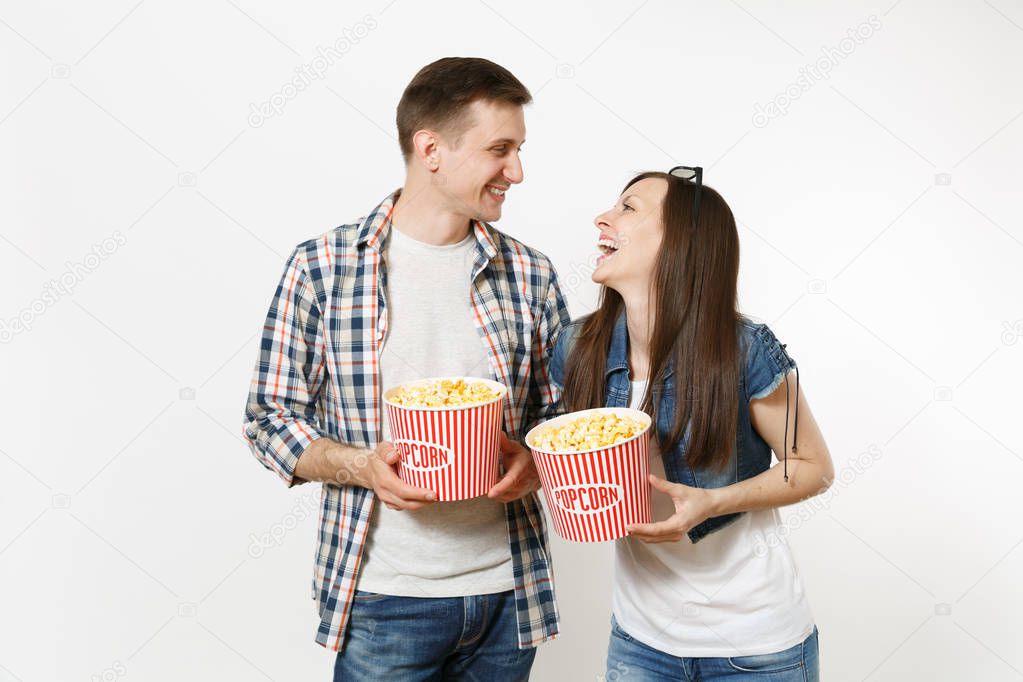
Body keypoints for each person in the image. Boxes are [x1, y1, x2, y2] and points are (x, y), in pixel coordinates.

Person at [242, 57, 567, 680]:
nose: (517, 172)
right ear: (431, 149)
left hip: (508, 595)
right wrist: (361, 465)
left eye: (519, 150)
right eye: (500, 150)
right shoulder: (323, 267)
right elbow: (268, 420)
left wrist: (535, 458)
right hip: (385, 598)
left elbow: (560, 415)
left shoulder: (531, 273)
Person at [550, 167, 835, 680]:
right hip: (640, 642)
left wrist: (713, 502)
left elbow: (813, 466)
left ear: (680, 244)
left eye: (628, 208)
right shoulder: (576, 349)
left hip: (757, 648)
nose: (603, 219)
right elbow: (561, 449)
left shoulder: (745, 350)